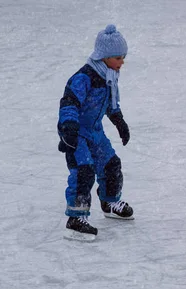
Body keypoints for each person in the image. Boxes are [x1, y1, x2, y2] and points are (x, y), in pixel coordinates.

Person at [57, 24, 134, 241]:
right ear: (104, 56)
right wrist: (69, 128)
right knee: (84, 171)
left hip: (94, 131)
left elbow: (110, 103)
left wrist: (119, 121)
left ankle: (109, 201)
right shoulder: (85, 77)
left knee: (111, 165)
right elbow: (69, 102)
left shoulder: (109, 75)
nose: (122, 62)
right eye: (118, 57)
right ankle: (76, 218)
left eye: (123, 57)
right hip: (76, 132)